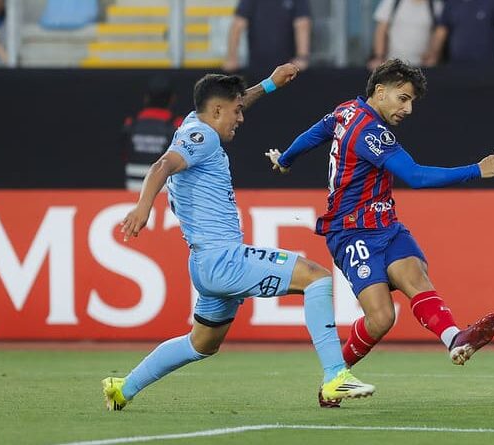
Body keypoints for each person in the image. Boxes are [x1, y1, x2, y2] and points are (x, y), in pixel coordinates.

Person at [102, 64, 375, 411]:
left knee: (201, 344)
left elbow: (234, 100)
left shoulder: (195, 121)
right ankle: (336, 376)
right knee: (316, 277)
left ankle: (123, 388)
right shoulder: (203, 137)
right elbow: (161, 166)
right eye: (236, 112)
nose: (241, 118)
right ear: (217, 111)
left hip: (205, 264)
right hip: (224, 260)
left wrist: (270, 84)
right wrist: (143, 207)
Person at [266, 59, 494, 403]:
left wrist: (285, 160)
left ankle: (454, 338)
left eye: (411, 101)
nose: (408, 109)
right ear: (380, 91)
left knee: (415, 276)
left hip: (386, 225)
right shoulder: (371, 132)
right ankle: (334, 377)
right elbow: (416, 176)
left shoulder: (346, 111)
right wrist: (475, 170)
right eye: (403, 98)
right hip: (351, 231)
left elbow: (314, 134)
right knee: (381, 319)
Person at [121, 75, 182, 191]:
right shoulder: (178, 126)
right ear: (172, 99)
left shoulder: (130, 125)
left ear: (146, 98)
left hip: (132, 192)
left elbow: (124, 156)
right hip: (165, 194)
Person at [223, 0, 311, 75]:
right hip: (284, 69)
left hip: (275, 68)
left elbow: (302, 24)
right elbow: (238, 24)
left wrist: (232, 58)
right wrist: (302, 58)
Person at [425, 0, 494, 67]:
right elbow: (440, 34)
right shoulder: (450, 4)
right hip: (456, 66)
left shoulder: (490, 2)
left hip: (485, 67)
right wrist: (433, 54)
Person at [368, 0, 442, 70]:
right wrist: (379, 57)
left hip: (422, 67)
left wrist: (432, 56)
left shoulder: (436, 4)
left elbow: (438, 33)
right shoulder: (391, 2)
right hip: (393, 65)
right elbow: (381, 30)